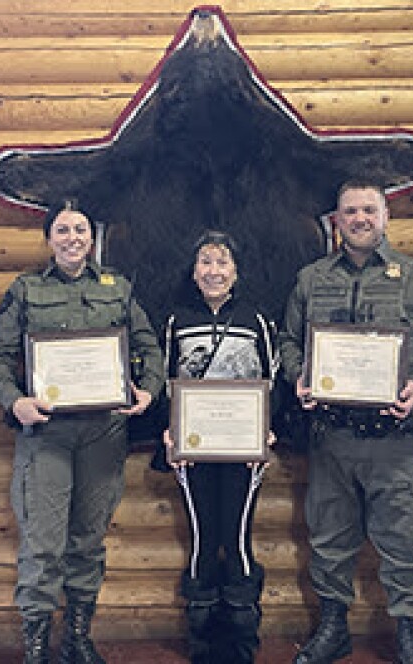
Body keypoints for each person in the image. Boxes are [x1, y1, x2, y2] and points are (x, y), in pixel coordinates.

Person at [279, 178, 413, 664]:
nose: (359, 219)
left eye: (369, 210)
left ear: (386, 218)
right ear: (336, 221)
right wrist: (298, 376)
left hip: (393, 438)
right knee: (330, 539)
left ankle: (409, 632)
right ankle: (333, 627)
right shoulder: (311, 279)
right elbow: (288, 341)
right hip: (331, 438)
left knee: (403, 540)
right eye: (350, 212)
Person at [0, 202, 164, 664]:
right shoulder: (25, 290)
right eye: (62, 230)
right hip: (46, 434)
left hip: (103, 434)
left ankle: (78, 638)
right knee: (43, 544)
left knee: (87, 540)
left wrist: (147, 390)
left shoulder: (117, 288)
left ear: (92, 238)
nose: (72, 238)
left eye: (80, 229)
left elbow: (148, 345)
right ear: (49, 240)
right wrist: (15, 401)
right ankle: (37, 647)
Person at [158, 231, 277, 664]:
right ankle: (202, 634)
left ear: (236, 271)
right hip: (193, 449)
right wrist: (169, 433)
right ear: (193, 272)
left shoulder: (256, 321)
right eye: (205, 262)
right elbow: (163, 381)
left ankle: (243, 635)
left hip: (244, 449)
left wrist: (266, 431)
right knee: (204, 536)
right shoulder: (176, 321)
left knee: (238, 537)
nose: (214, 271)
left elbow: (273, 380)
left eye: (222, 262)